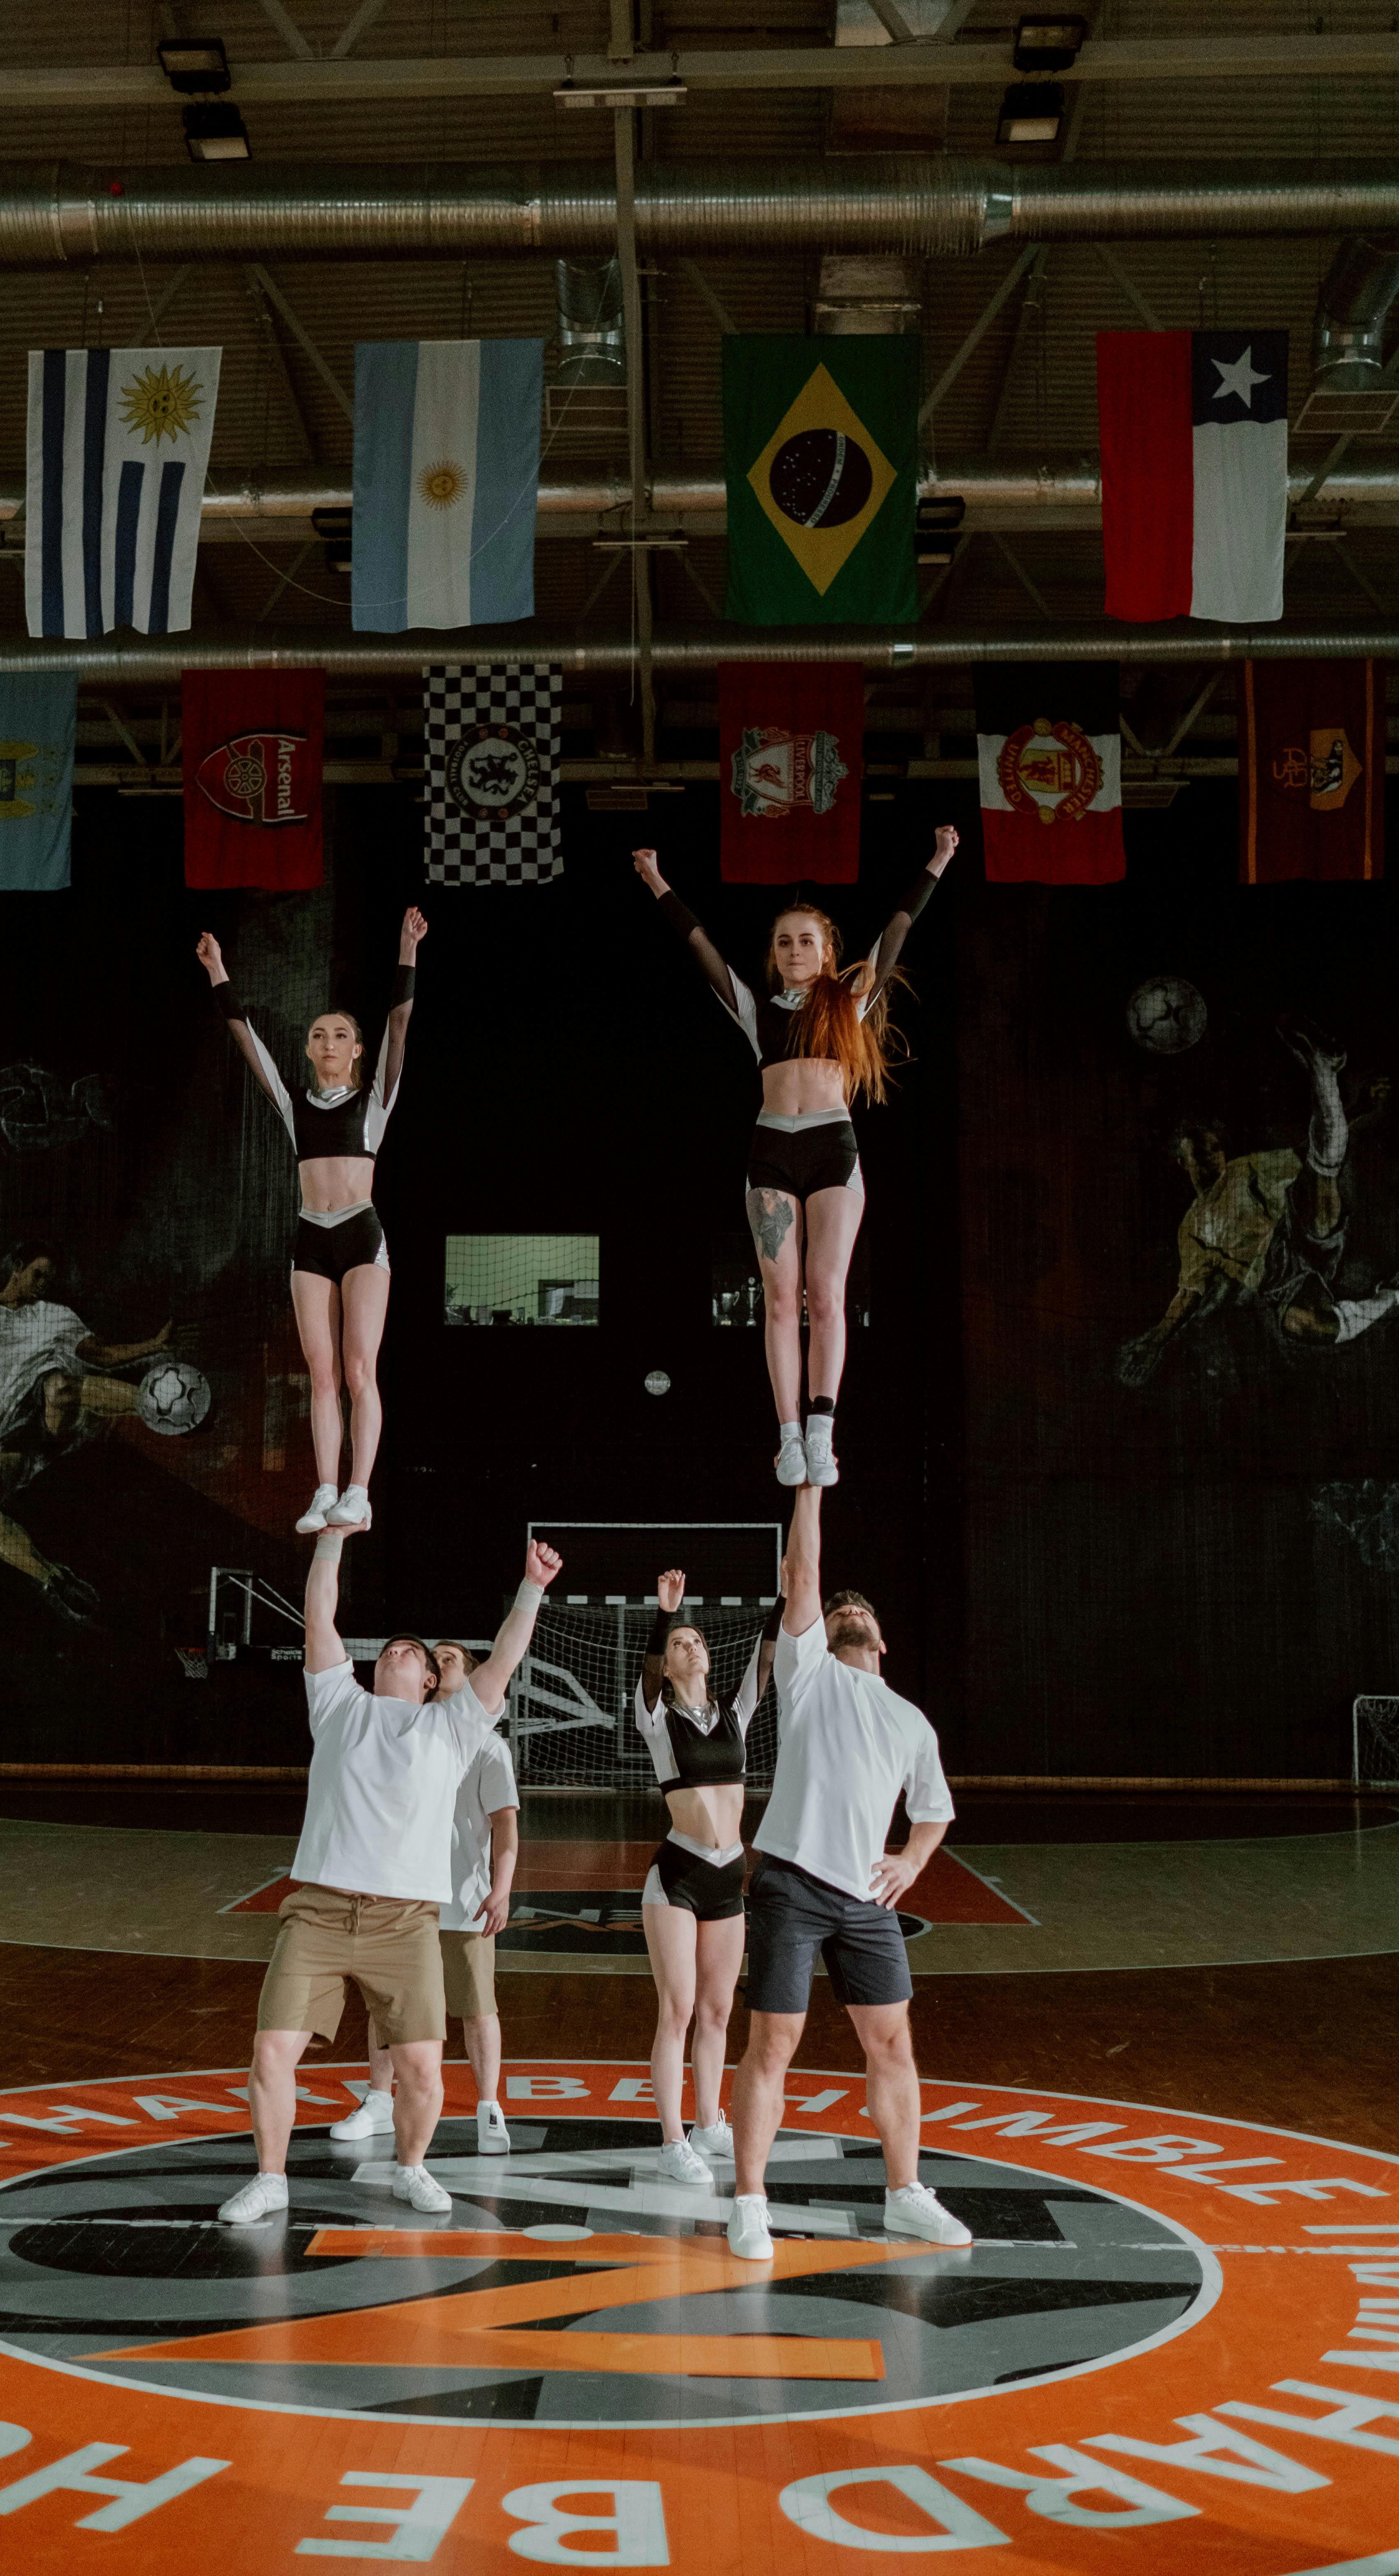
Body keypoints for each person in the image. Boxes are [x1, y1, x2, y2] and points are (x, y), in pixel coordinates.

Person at [219, 1537, 562, 2226]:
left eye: (413, 1653)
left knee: (424, 2069)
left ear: (432, 1680)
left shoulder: (454, 1729)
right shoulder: (338, 1706)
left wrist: (532, 1587)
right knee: (270, 2052)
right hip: (317, 1911)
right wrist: (331, 1542)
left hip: (406, 1921)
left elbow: (504, 1660)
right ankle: (271, 2178)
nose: (398, 1654)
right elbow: (320, 1617)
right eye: (391, 1650)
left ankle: (411, 2169)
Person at [633, 832, 956, 1488]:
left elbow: (897, 930)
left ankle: (822, 1431)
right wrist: (656, 880)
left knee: (827, 1294)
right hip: (773, 1152)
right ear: (774, 955)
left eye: (806, 940)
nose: (795, 950)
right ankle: (786, 1436)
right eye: (784, 942)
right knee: (781, 1302)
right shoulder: (756, 1009)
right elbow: (700, 948)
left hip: (833, 1150)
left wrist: (938, 860)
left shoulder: (850, 1000)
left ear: (828, 950)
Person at [727, 1484, 969, 2263]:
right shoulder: (810, 1680)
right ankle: (751, 2204)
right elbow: (804, 1572)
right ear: (822, 1635)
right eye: (840, 1612)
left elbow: (934, 1811)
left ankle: (905, 2194)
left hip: (866, 1900)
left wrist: (912, 1859)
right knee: (774, 2044)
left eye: (862, 1612)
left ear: (883, 1641)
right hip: (792, 1885)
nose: (851, 1612)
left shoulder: (910, 1721)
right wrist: (810, 1486)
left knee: (892, 2044)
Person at [196, 906, 426, 1537]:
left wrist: (407, 949)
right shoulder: (294, 1103)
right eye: (319, 1034)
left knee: (358, 1369)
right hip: (310, 1238)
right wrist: (219, 969)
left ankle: (360, 1491)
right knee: (320, 1373)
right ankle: (325, 1489)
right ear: (308, 1049)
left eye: (340, 1036)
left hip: (360, 1235)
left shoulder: (375, 1098)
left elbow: (400, 1019)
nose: (329, 1042)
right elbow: (245, 1037)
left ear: (356, 1051)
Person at [0, 1241, 180, 1625]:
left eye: (49, 1280)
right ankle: (53, 1578)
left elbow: (99, 1355)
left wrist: (154, 1345)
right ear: (17, 1267)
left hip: (61, 1409)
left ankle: (161, 1406)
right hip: (17, 1426)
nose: (42, 1285)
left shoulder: (56, 1316)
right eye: (38, 1274)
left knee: (59, 1387)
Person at [1118, 1019, 1399, 1385]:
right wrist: (1156, 1341)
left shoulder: (1245, 1170)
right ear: (1183, 1163)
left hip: (1296, 1236)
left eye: (1215, 1150)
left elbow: (1306, 1152)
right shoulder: (1192, 1229)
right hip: (1278, 1283)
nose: (1211, 1159)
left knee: (1321, 1179)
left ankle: (1324, 1070)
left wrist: (1358, 1107)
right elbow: (1188, 1295)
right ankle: (1394, 1296)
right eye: (1201, 1155)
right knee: (1307, 1326)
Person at [332, 1640, 520, 2159]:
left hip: (463, 1901)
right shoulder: (400, 1733)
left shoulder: (488, 1748)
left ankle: (487, 2107)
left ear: (474, 1677)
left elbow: (505, 1827)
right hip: (402, 1896)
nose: (439, 1662)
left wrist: (501, 1888)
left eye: (451, 1657)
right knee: (388, 2003)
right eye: (432, 1657)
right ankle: (377, 2100)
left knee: (477, 2008)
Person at [632, 1570, 781, 2185]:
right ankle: (671, 2142)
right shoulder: (654, 1717)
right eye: (678, 1645)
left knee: (719, 2011)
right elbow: (643, 1679)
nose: (688, 1647)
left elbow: (766, 1663)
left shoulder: (735, 1713)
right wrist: (663, 1617)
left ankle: (707, 2122)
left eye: (695, 1640)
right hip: (679, 1875)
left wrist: (782, 1600)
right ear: (666, 1666)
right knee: (679, 2008)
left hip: (729, 1877)